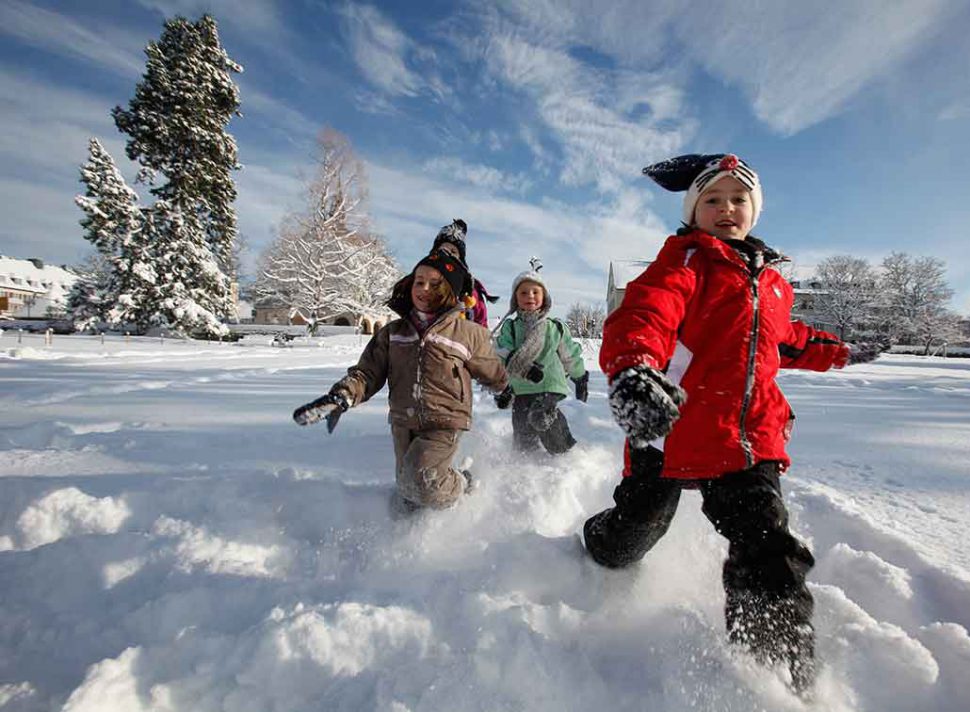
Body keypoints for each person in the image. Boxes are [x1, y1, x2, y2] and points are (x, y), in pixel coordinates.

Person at [582, 153, 882, 692]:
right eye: (712, 200)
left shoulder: (772, 284)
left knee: (769, 548)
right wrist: (633, 368)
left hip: (746, 441)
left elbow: (788, 340)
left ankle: (773, 675)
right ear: (693, 211)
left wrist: (839, 351)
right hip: (669, 431)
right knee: (634, 534)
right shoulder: (683, 264)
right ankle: (600, 542)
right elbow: (644, 315)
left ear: (755, 210)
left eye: (738, 199)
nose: (726, 209)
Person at [293, 249, 508, 512]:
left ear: (449, 291)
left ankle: (462, 483)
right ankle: (417, 534)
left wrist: (505, 387)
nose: (424, 288)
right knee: (408, 492)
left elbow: (491, 368)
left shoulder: (466, 333)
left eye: (434, 283)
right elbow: (367, 373)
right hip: (403, 420)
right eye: (419, 281)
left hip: (445, 420)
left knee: (423, 481)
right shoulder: (392, 333)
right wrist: (343, 395)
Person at [494, 259, 589, 454]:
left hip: (549, 385)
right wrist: (501, 387)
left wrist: (579, 376)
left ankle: (563, 451)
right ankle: (528, 466)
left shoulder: (554, 327)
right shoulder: (510, 328)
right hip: (520, 389)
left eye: (535, 292)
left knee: (540, 415)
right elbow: (500, 354)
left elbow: (569, 354)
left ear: (544, 297)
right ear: (515, 299)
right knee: (522, 434)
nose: (530, 296)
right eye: (523, 292)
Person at [432, 218, 499, 327]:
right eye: (442, 250)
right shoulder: (421, 281)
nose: (447, 254)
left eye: (453, 251)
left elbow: (481, 325)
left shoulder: (471, 291)